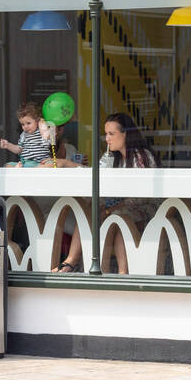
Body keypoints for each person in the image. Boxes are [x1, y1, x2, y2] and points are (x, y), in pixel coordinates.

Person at [52, 113, 160, 275]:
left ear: (126, 134)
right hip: (121, 209)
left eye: (111, 134)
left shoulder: (141, 156)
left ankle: (122, 273)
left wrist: (110, 209)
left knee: (118, 218)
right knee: (90, 210)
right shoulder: (111, 156)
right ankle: (71, 260)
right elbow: (94, 175)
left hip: (144, 212)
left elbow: (141, 197)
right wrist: (68, 164)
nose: (107, 139)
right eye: (106, 134)